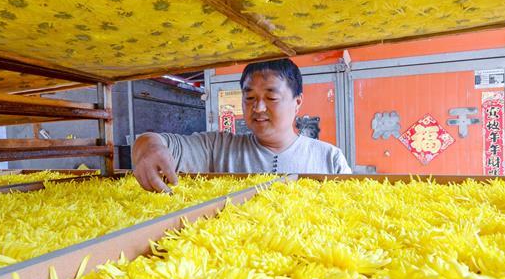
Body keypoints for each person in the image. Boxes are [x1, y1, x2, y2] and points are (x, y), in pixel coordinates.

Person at [132, 59, 351, 192]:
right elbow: (161, 143)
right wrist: (147, 146)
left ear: (298, 102)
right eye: (249, 98)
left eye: (271, 98)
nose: (258, 108)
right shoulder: (216, 147)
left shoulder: (329, 159)